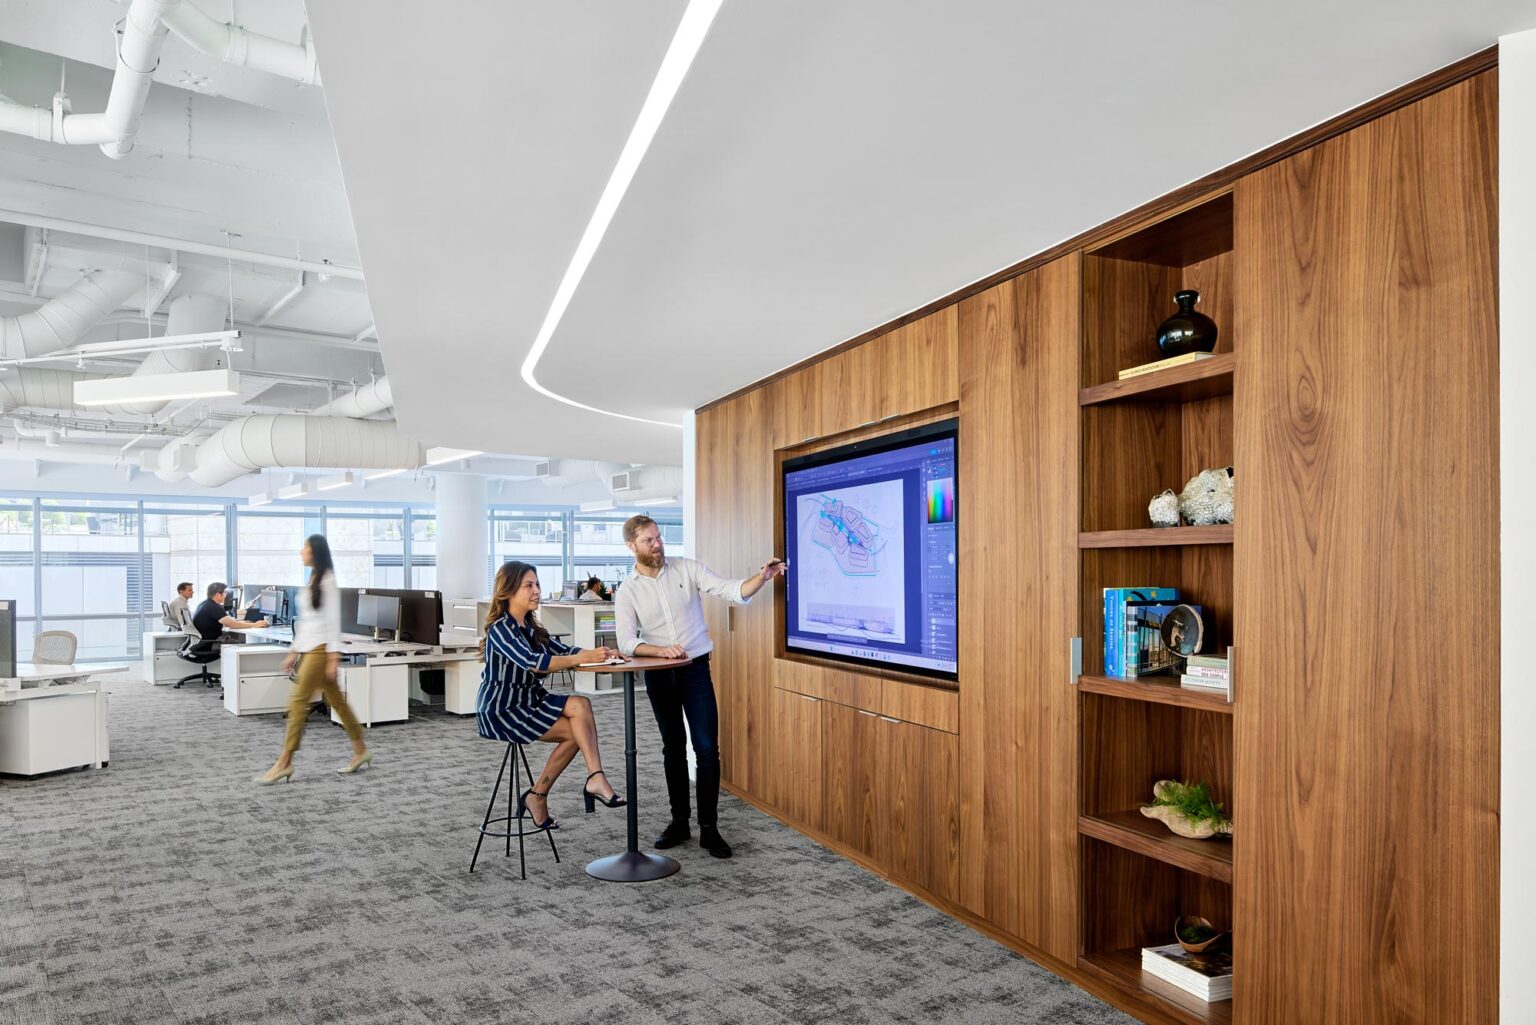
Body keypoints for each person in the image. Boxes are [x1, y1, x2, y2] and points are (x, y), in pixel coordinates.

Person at [613, 514, 785, 858]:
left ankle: (709, 828)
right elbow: (627, 642)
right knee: (673, 748)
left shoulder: (687, 569)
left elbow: (731, 590)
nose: (658, 544)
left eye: (659, 537)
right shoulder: (627, 590)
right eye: (649, 540)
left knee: (707, 749)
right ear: (631, 546)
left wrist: (763, 577)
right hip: (659, 674)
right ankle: (680, 822)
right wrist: (659, 650)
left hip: (695, 671)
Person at [477, 560, 625, 829]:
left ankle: (583, 781)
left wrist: (602, 654)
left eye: (537, 584)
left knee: (580, 712)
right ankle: (549, 793)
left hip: (529, 700)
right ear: (508, 591)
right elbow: (534, 661)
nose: (536, 590)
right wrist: (586, 656)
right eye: (528, 585)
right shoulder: (501, 629)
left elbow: (563, 650)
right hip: (503, 709)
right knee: (578, 726)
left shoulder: (531, 627)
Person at [253, 535, 369, 784]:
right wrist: (294, 650)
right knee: (337, 702)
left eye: (304, 548)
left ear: (315, 552)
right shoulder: (313, 579)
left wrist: (332, 658)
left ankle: (284, 762)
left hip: (321, 650)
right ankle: (360, 750)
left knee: (297, 703)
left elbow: (333, 621)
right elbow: (308, 621)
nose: (300, 552)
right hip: (309, 648)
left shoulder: (328, 581)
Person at [191, 581, 268, 642]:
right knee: (240, 647)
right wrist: (254, 625)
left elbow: (228, 623)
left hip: (203, 642)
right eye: (224, 593)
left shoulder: (204, 604)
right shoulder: (214, 607)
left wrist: (246, 623)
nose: (225, 595)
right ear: (218, 595)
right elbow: (233, 625)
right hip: (211, 643)